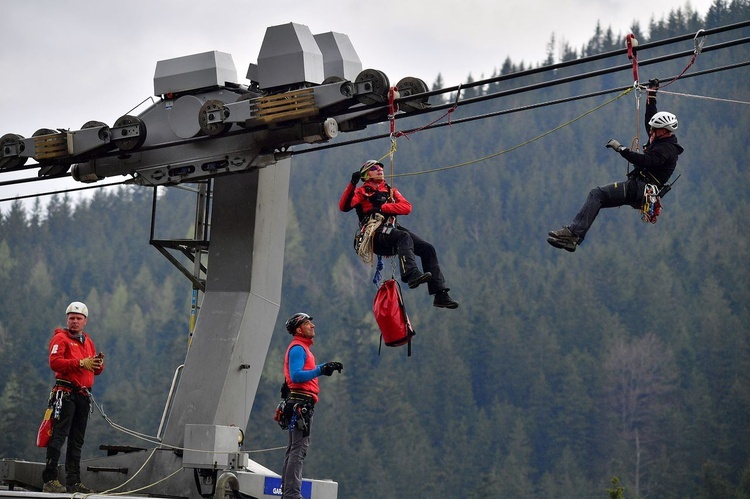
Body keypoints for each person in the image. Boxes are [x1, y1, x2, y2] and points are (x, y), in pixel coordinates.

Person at [548, 80, 684, 252]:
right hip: (640, 189)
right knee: (599, 197)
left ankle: (573, 234)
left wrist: (621, 149)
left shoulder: (666, 150)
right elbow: (650, 121)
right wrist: (651, 95)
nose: (650, 132)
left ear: (664, 131)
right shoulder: (662, 141)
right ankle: (573, 236)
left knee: (597, 194)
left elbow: (644, 161)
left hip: (640, 190)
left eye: (654, 130)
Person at [339, 160, 459, 309]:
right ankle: (410, 274)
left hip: (392, 230)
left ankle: (440, 293)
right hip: (374, 233)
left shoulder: (391, 191)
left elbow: (406, 207)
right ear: (366, 175)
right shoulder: (362, 192)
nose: (380, 170)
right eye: (375, 168)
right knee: (404, 236)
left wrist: (382, 207)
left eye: (381, 167)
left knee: (427, 249)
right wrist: (352, 184)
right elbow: (344, 206)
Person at [42, 301, 104, 494]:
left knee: (77, 439)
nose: (75, 322)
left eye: (78, 319)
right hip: (66, 393)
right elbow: (54, 362)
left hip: (83, 395)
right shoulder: (61, 338)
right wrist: (80, 363)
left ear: (85, 321)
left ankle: (73, 481)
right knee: (59, 435)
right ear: (67, 320)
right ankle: (50, 478)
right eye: (72, 318)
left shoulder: (88, 341)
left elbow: (94, 369)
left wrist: (98, 364)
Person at [280, 313, 342, 499]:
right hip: (301, 404)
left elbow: (296, 375)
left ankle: (288, 492)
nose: (312, 326)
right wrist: (320, 370)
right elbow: (297, 375)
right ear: (299, 329)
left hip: (299, 402)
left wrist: (324, 366)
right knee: (298, 450)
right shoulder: (298, 348)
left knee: (294, 449)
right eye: (308, 323)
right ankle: (292, 494)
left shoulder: (301, 348)